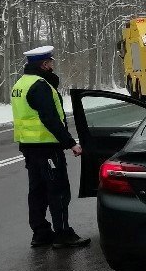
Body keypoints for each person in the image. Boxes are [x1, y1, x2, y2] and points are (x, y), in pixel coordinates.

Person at [10, 46, 91, 249]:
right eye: (51, 63)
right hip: (46, 147)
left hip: (29, 147)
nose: (53, 66)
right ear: (44, 64)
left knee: (37, 191)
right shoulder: (40, 85)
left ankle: (40, 233)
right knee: (59, 190)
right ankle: (63, 234)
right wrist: (71, 143)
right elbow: (50, 119)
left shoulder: (20, 83)